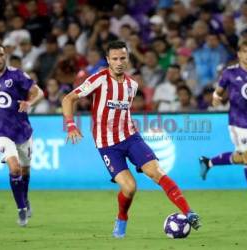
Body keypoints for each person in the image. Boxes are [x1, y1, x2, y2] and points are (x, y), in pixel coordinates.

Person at [62, 40, 201, 238]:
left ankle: (189, 212)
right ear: (108, 60)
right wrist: (71, 125)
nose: (119, 62)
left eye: (123, 58)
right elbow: (68, 99)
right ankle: (122, 217)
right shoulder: (99, 79)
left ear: (128, 59)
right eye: (115, 59)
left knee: (156, 172)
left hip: (130, 137)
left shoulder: (132, 85)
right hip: (107, 145)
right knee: (129, 187)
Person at [199, 39, 247, 211]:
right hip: (237, 122)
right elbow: (217, 93)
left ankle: (208, 162)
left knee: (241, 157)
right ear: (239, 54)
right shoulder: (229, 73)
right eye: (246, 51)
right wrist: (216, 99)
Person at [0, 43, 44, 226]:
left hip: (22, 130)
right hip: (0, 132)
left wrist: (29, 103)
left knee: (25, 170)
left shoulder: (16, 75)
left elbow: (39, 92)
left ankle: (25, 199)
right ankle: (21, 210)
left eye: (0, 55)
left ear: (5, 55)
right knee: (15, 168)